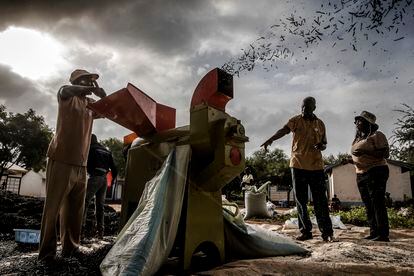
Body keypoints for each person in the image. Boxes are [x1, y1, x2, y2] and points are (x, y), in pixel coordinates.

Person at [38, 69, 106, 263]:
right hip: (61, 158)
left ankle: (71, 248)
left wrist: (103, 95)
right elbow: (65, 90)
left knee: (75, 209)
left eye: (91, 81)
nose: (90, 84)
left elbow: (110, 109)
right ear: (79, 81)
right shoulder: (67, 95)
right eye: (87, 80)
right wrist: (85, 87)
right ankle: (46, 253)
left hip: (81, 164)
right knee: (53, 208)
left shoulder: (90, 105)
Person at [261, 97, 334, 242]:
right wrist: (271, 139)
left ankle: (327, 233)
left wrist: (321, 146)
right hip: (298, 164)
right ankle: (306, 232)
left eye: (306, 107)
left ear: (314, 107)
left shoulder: (320, 124)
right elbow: (284, 130)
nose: (303, 110)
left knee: (321, 200)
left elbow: (324, 143)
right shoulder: (296, 120)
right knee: (301, 200)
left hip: (316, 166)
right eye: (302, 107)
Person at [349, 111, 390, 242]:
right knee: (368, 204)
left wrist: (365, 150)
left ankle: (383, 234)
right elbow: (360, 156)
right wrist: (351, 160)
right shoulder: (358, 139)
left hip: (376, 171)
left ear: (368, 124)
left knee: (377, 203)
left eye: (360, 121)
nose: (357, 123)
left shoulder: (377, 135)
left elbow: (385, 154)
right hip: (361, 173)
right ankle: (374, 232)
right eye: (356, 121)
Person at [83, 134, 117, 239]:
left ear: (90, 140)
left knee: (84, 202)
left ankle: (80, 231)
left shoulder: (91, 149)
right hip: (104, 180)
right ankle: (100, 233)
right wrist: (112, 179)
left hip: (95, 177)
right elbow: (114, 169)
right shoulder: (106, 151)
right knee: (100, 206)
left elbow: (86, 164)